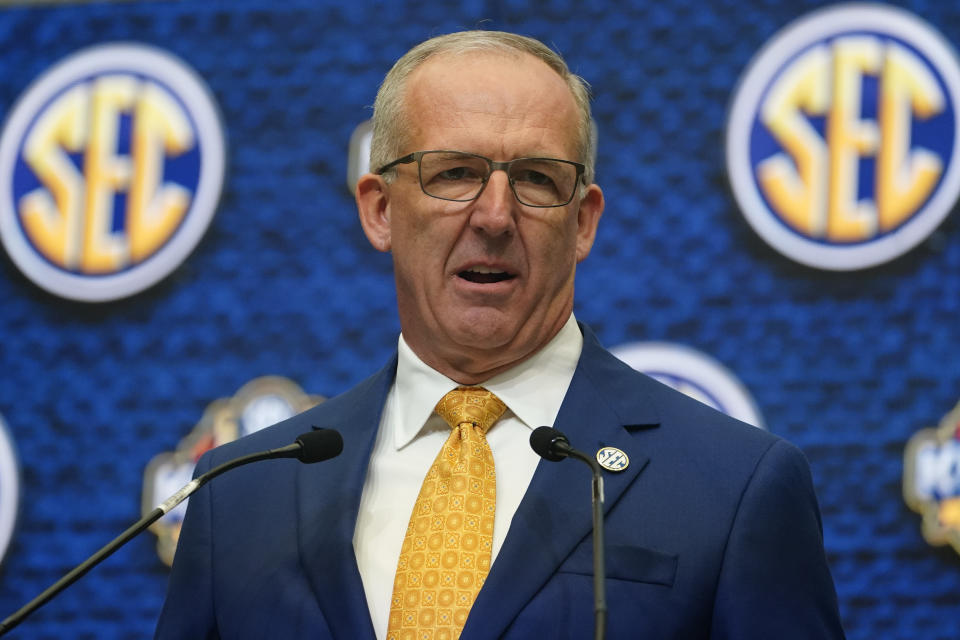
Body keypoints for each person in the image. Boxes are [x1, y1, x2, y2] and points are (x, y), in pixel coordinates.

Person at [156, 30, 845, 639]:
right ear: (378, 210)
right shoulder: (241, 494)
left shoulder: (733, 488)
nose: (494, 215)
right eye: (454, 172)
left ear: (583, 223)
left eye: (537, 179)